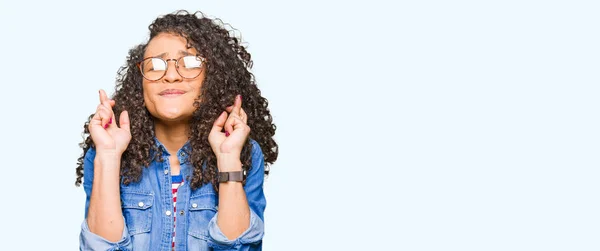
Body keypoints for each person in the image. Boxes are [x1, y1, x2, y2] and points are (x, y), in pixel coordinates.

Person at [74, 10, 278, 251]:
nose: (170, 76)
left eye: (190, 63)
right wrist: (108, 157)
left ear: (213, 77)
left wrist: (228, 159)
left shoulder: (242, 153)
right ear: (140, 82)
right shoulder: (104, 153)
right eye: (155, 65)